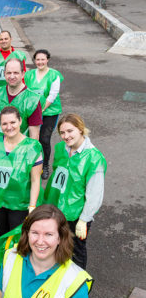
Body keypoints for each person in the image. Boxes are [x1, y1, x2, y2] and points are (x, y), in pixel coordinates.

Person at [44, 113, 106, 270]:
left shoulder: (94, 158)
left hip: (76, 215)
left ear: (80, 129)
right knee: (57, 247)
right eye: (62, 132)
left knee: (76, 251)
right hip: (56, 209)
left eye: (70, 131)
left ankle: (78, 287)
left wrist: (84, 219)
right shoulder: (60, 148)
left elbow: (95, 194)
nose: (66, 136)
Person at [0, 106, 43, 234]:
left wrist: (32, 206)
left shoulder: (33, 147)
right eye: (4, 124)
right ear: (0, 125)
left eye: (12, 122)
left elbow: (35, 180)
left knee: (17, 240)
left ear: (20, 121)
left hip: (20, 204)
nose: (9, 127)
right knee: (2, 234)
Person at [0, 58, 42, 164]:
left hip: (20, 152)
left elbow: (34, 134)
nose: (12, 76)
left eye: (16, 73)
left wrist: (31, 158)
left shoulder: (32, 99)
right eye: (9, 73)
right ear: (4, 74)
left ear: (23, 74)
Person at [24, 50, 64, 180]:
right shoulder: (29, 75)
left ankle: (45, 165)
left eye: (43, 59)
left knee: (44, 139)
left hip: (49, 112)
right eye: (37, 59)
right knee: (30, 138)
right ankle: (32, 163)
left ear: (48, 60)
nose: (40, 62)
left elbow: (52, 96)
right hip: (32, 111)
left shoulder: (54, 75)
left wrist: (39, 111)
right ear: (34, 60)